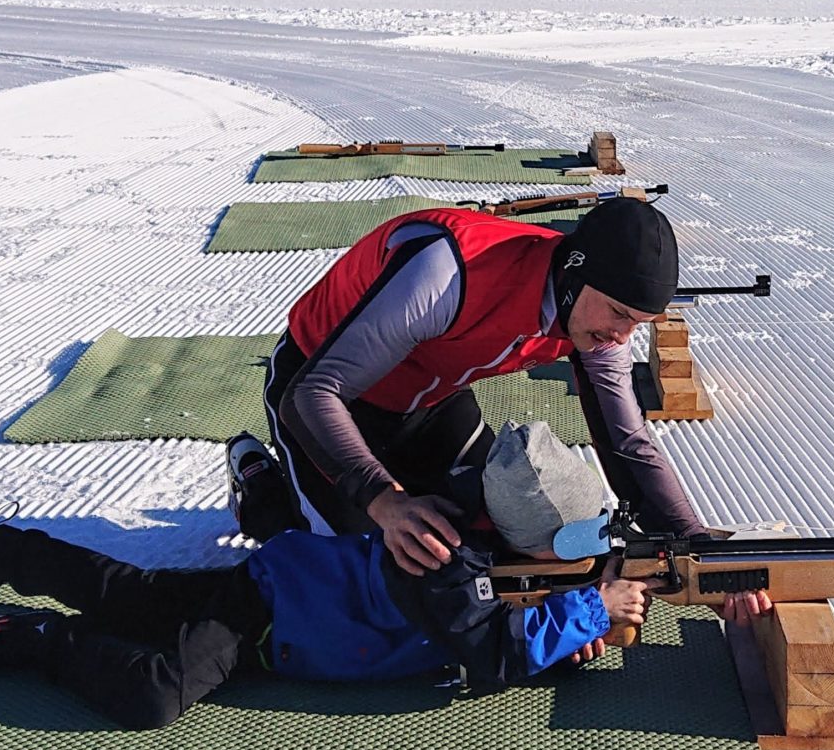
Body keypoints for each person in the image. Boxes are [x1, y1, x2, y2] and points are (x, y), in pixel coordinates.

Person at [0, 420, 762, 730]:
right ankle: (33, 639)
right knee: (154, 689)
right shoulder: (442, 557)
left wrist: (727, 589)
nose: (588, 554)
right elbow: (492, 651)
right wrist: (590, 611)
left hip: (291, 590)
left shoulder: (499, 541)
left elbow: (617, 574)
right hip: (267, 620)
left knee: (125, 591)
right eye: (575, 541)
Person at [260, 194, 707, 578]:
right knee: (357, 572)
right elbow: (312, 395)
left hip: (429, 401)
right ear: (574, 275)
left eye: (639, 324)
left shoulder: (595, 317)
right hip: (322, 393)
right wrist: (383, 501)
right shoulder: (448, 272)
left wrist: (692, 542)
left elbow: (625, 438)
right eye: (619, 314)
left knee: (514, 537)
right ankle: (262, 491)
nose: (622, 337)